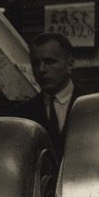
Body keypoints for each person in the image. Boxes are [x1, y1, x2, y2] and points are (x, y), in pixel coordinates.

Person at [16, 31, 80, 161]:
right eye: (35, 63)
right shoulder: (23, 114)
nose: (41, 69)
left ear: (70, 64)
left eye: (49, 62)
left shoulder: (91, 106)